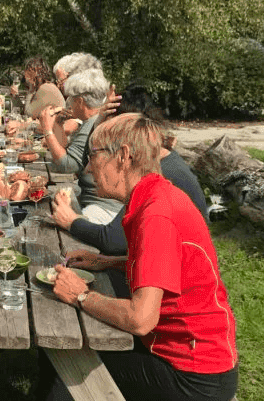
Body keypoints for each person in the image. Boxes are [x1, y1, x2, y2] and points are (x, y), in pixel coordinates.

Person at [0, 112, 238, 401]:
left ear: (124, 156)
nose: (88, 164)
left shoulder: (155, 213)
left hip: (195, 371)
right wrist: (111, 261)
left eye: (95, 154)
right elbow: (165, 262)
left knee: (73, 368)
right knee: (63, 360)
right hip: (197, 355)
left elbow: (140, 319)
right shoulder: (157, 194)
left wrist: (80, 295)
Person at [50, 84, 209, 269]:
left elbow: (114, 241)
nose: (89, 169)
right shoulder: (154, 163)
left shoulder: (158, 178)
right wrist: (105, 262)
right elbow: (152, 256)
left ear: (127, 134)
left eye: (109, 130)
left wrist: (71, 221)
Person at [39, 68, 122, 224]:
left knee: (44, 210)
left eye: (71, 97)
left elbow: (66, 165)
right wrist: (57, 124)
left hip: (102, 207)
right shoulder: (93, 121)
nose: (68, 102)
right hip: (92, 198)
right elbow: (66, 150)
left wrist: (47, 130)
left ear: (80, 101)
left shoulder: (94, 123)